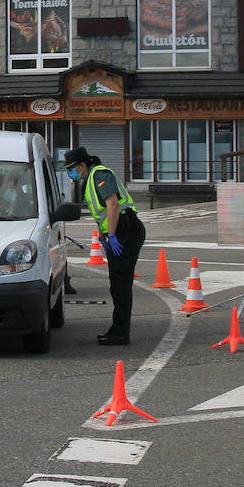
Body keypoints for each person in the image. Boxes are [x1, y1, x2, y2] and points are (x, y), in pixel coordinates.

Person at [62, 146, 145, 345]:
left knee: (121, 284)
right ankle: (118, 330)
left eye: (72, 168)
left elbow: (113, 204)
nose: (70, 173)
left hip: (126, 230)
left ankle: (120, 333)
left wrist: (113, 234)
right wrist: (103, 233)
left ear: (83, 164)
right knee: (117, 284)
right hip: (119, 232)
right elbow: (101, 212)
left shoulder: (100, 174)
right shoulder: (90, 179)